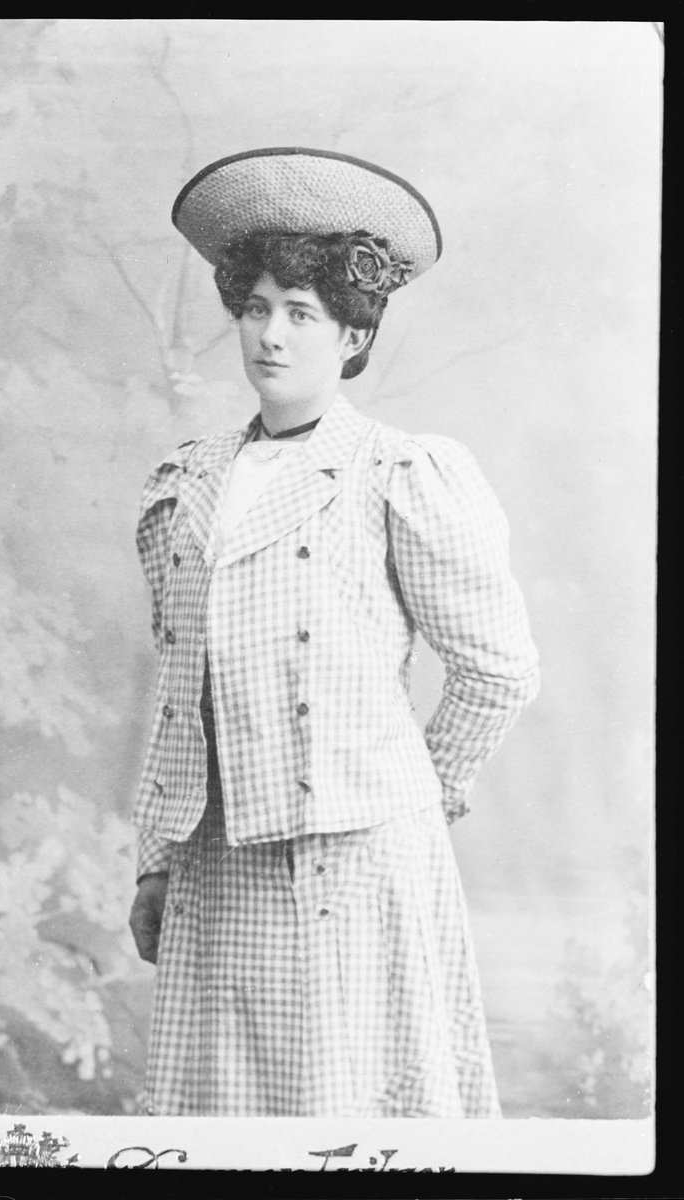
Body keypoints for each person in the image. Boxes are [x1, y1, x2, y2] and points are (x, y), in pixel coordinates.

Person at [128, 147, 540, 1118]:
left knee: (347, 1119)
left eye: (301, 313)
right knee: (223, 1124)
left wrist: (402, 796)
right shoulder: (187, 482)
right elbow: (180, 690)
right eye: (256, 307)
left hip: (353, 866)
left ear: (353, 335)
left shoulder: (397, 475)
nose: (271, 335)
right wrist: (156, 857)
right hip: (216, 861)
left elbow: (498, 670)